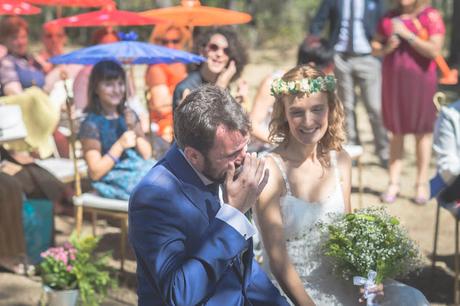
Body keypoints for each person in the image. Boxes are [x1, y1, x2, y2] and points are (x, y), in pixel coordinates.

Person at [254, 65, 429, 305]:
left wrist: (368, 277)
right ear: (284, 113)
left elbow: (348, 237)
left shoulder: (340, 160)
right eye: (296, 112)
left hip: (341, 280)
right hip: (292, 291)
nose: (308, 121)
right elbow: (277, 260)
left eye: (317, 109)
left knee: (412, 299)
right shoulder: (270, 169)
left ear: (331, 108)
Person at [129, 85, 289, 306]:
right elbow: (180, 294)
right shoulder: (154, 197)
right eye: (232, 154)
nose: (244, 159)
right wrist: (233, 215)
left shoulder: (221, 170)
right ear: (193, 156)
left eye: (245, 146)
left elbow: (243, 271)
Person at [372, 0, 445, 204]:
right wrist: (386, 47)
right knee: (396, 131)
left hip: (421, 81)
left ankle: (421, 184)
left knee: (423, 131)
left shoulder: (430, 16)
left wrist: (408, 35)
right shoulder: (388, 17)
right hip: (393, 81)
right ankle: (393, 182)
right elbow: (375, 47)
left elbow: (435, 51)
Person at [309, 0, 389, 167]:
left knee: (375, 107)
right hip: (340, 57)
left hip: (369, 57)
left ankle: (384, 152)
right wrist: (316, 45)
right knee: (346, 106)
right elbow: (319, 20)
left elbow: (385, 23)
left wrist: (383, 49)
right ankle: (351, 150)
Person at [78, 60, 154, 200]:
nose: (117, 90)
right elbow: (95, 172)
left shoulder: (128, 114)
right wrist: (120, 145)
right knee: (151, 187)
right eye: (109, 85)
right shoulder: (91, 124)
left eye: (120, 84)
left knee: (165, 177)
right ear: (95, 88)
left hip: (137, 167)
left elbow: (147, 155)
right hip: (112, 177)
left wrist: (135, 129)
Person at [249, 38, 334, 152]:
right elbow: (252, 125)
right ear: (311, 65)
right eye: (328, 68)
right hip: (268, 148)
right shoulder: (274, 82)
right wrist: (284, 144)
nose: (329, 73)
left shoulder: (320, 87)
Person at [172, 27, 248, 110]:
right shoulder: (186, 88)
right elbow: (204, 121)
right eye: (214, 47)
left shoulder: (227, 85)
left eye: (226, 51)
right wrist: (220, 87)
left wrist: (238, 105)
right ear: (202, 51)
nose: (219, 54)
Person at [145, 24, 191, 143]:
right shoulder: (156, 68)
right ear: (157, 42)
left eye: (175, 41)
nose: (170, 46)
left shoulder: (186, 63)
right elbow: (161, 106)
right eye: (165, 42)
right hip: (166, 125)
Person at [0, 16, 45, 96]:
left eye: (23, 37)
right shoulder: (6, 62)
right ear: (4, 39)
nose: (21, 42)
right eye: (15, 38)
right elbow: (13, 92)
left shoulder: (32, 59)